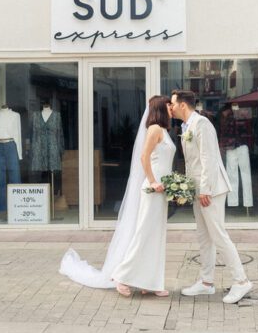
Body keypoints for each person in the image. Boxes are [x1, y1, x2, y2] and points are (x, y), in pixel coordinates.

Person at [59, 96, 175, 298]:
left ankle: (150, 281)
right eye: (169, 105)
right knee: (144, 233)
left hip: (162, 189)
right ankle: (121, 275)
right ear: (161, 108)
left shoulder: (164, 130)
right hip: (153, 188)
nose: (172, 108)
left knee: (156, 236)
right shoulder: (155, 129)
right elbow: (143, 157)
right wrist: (153, 181)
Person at [170, 90, 253, 304]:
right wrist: (191, 188)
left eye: (173, 104)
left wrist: (205, 189)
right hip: (199, 188)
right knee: (204, 236)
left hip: (211, 189)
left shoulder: (202, 124)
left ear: (183, 105)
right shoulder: (185, 126)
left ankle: (241, 281)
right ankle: (206, 283)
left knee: (218, 235)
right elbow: (192, 161)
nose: (170, 108)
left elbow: (209, 157)